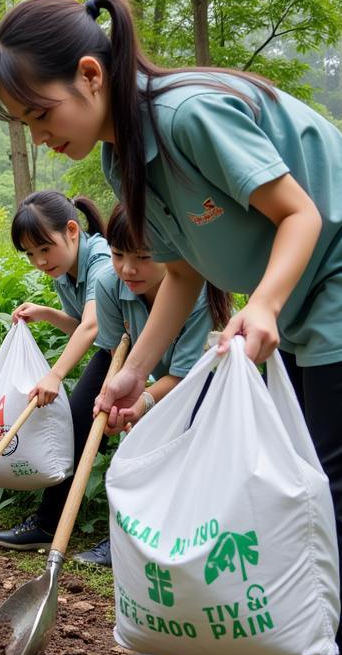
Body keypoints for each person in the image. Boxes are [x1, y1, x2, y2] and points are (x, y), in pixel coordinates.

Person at [0, 0, 342, 655]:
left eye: (40, 114)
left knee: (338, 484)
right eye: (26, 124)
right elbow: (184, 269)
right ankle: (233, 650)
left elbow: (302, 215)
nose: (40, 135)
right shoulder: (127, 149)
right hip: (291, 297)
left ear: (90, 74)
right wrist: (137, 371)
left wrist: (262, 305)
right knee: (255, 473)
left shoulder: (189, 115)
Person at [76, 203, 228, 569]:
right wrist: (129, 399)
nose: (129, 268)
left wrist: (144, 400)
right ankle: (124, 540)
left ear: (171, 252)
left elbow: (186, 375)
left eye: (144, 257)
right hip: (143, 375)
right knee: (131, 451)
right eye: (118, 254)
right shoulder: (109, 284)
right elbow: (118, 355)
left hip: (203, 383)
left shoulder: (199, 292)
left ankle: (186, 543)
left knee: (186, 457)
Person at [0, 190, 113, 551]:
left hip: (149, 355)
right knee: (75, 428)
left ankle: (123, 540)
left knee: (137, 439)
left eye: (45, 248)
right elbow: (85, 325)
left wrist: (55, 375)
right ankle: (47, 524)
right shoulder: (65, 270)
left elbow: (91, 327)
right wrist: (44, 312)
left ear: (72, 230)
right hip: (114, 350)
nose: (40, 261)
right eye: (30, 254)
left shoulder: (102, 261)